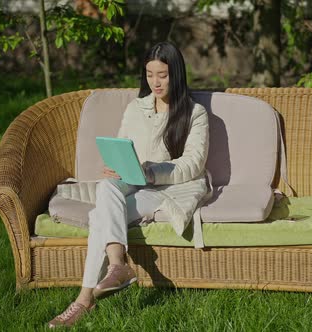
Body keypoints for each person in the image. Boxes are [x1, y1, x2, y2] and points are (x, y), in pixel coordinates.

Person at [48, 41, 210, 328]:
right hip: (131, 179)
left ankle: (84, 300)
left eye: (162, 74)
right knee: (107, 187)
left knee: (100, 216)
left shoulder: (195, 114)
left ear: (177, 73)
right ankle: (118, 265)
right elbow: (123, 143)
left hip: (166, 188)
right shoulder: (136, 106)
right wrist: (116, 164)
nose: (155, 82)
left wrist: (153, 172)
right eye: (149, 74)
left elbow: (193, 165)